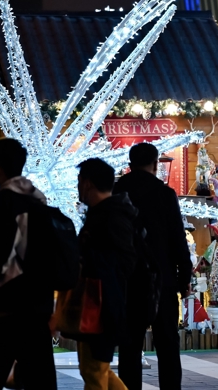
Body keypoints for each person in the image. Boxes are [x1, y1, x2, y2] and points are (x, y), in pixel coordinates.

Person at [0, 138, 57, 390]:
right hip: (37, 305)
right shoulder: (38, 199)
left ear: (0, 168)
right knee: (39, 379)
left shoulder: (1, 201)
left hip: (4, 305)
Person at [115, 143, 193, 390]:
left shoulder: (118, 192)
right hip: (162, 278)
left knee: (129, 347)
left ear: (130, 164)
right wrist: (184, 276)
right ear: (156, 164)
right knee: (167, 344)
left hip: (127, 279)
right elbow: (177, 239)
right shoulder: (165, 194)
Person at [75, 158, 138, 390]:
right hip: (99, 303)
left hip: (103, 304)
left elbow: (124, 262)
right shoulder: (105, 213)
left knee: (94, 372)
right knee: (96, 370)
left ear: (87, 184)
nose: (77, 187)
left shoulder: (110, 216)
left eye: (79, 181)